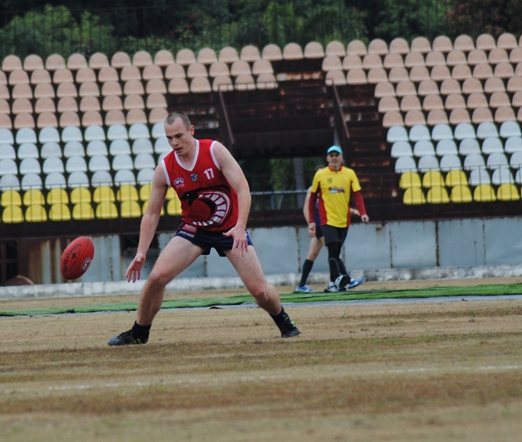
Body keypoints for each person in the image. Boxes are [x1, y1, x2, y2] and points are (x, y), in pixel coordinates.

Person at [109, 111, 300, 345]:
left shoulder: (214, 151)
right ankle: (139, 333)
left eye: (179, 136)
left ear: (191, 131)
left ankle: (283, 320)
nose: (174, 143)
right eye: (169, 138)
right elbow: (151, 213)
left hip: (230, 229)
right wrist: (141, 251)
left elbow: (243, 189)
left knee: (260, 291)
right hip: (195, 230)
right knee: (156, 277)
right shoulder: (165, 168)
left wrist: (240, 227)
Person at [308, 145, 369, 292]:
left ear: (342, 158)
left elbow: (357, 195)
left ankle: (332, 283)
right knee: (333, 248)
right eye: (331, 155)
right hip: (327, 220)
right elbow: (312, 198)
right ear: (327, 158)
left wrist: (363, 213)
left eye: (337, 155)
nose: (334, 158)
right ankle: (338, 278)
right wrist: (311, 221)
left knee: (335, 252)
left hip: (344, 220)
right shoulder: (321, 175)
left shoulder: (349, 174)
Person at [295, 187, 325, 293]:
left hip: (325, 224)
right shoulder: (313, 189)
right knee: (333, 251)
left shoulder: (329, 187)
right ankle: (344, 280)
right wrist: (311, 225)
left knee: (312, 255)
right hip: (320, 225)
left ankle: (301, 285)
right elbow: (306, 208)